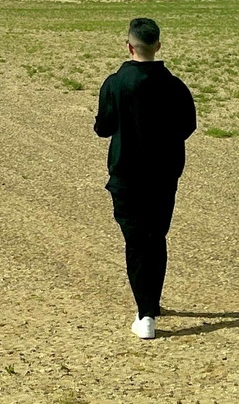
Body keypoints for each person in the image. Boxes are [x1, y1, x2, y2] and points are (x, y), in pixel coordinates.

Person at [95, 17, 196, 339]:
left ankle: (146, 314)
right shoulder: (175, 85)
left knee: (137, 242)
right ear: (159, 46)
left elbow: (103, 128)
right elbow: (187, 127)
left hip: (127, 174)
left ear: (129, 46)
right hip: (164, 174)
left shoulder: (114, 83)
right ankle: (151, 302)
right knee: (156, 237)